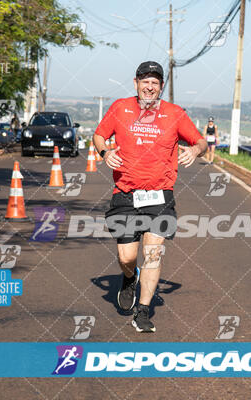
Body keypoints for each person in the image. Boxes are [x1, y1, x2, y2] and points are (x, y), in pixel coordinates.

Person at [94, 61, 207, 333]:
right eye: (145, 80)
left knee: (153, 253)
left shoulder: (175, 114)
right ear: (136, 83)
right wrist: (105, 153)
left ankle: (142, 311)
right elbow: (99, 135)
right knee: (127, 257)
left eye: (155, 82)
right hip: (125, 193)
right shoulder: (121, 108)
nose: (149, 85)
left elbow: (200, 141)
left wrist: (195, 151)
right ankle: (129, 277)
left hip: (160, 196)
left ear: (161, 87)